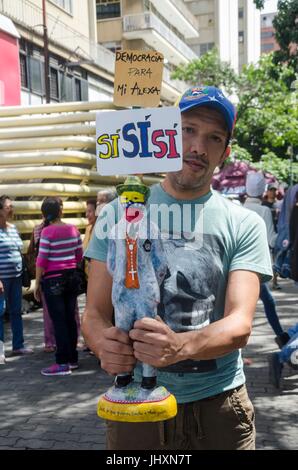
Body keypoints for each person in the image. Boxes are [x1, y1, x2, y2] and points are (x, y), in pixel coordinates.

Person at [82, 86, 273, 450]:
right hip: (135, 409)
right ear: (167, 134)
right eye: (188, 130)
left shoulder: (244, 223)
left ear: (225, 153)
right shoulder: (119, 212)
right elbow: (94, 313)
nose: (199, 146)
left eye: (213, 137)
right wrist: (101, 342)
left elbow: (240, 324)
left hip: (218, 407)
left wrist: (180, 347)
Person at [34, 197, 83, 376]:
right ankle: (73, 359)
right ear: (60, 211)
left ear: (44, 213)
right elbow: (79, 254)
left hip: (53, 280)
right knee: (70, 319)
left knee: (59, 321)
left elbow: (42, 259)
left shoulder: (47, 232)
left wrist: (38, 282)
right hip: (72, 278)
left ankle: (62, 363)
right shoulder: (73, 229)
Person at [244, 173, 290, 349]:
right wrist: (286, 238)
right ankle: (281, 336)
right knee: (268, 303)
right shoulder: (264, 211)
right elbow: (272, 240)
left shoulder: (237, 208)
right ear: (263, 189)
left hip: (234, 265)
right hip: (254, 267)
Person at [0, 195, 33, 358]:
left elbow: (19, 250)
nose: (12, 209)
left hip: (16, 276)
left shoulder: (13, 228)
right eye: (8, 207)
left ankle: (18, 345)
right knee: (0, 312)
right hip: (2, 279)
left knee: (16, 311)